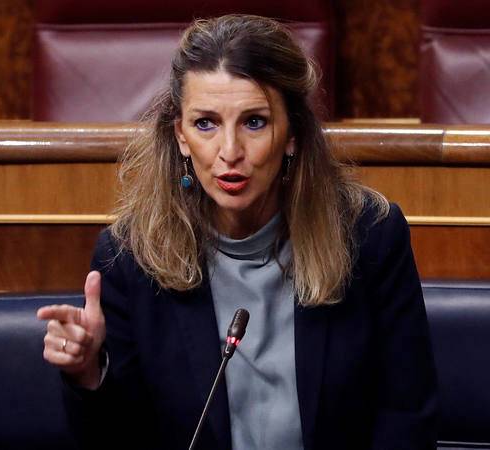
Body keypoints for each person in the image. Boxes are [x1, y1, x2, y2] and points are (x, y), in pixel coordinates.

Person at [37, 14, 437, 450]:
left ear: (293, 135)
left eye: (254, 122)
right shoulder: (131, 257)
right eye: (205, 123)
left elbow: (407, 419)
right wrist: (89, 374)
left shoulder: (370, 238)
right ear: (181, 137)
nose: (229, 152)